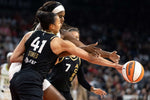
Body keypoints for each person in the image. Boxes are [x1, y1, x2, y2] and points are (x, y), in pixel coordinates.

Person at [10, 10, 122, 100]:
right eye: (58, 22)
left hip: (16, 80)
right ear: (52, 26)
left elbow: (13, 58)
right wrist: (115, 66)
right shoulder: (58, 42)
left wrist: (34, 58)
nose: (60, 24)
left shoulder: (30, 35)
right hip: (32, 82)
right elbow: (90, 58)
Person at [48, 26, 107, 100]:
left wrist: (92, 89)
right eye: (73, 37)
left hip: (65, 91)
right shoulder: (62, 53)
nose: (75, 40)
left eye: (77, 37)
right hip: (53, 88)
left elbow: (81, 79)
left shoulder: (79, 59)